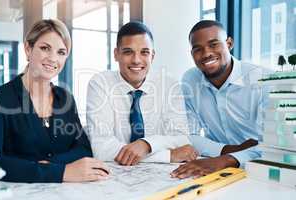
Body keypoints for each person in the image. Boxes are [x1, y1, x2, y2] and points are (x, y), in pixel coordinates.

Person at [0, 19, 109, 183]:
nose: (53, 58)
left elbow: (83, 149)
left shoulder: (65, 99)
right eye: (45, 48)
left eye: (61, 52)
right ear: (28, 49)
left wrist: (52, 165)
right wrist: (60, 172)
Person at [86, 21, 198, 166]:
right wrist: (168, 155)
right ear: (116, 54)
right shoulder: (100, 83)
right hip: (114, 173)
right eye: (128, 52)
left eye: (144, 52)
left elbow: (181, 139)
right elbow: (102, 149)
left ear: (152, 55)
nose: (136, 60)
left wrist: (146, 145)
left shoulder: (169, 84)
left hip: (159, 176)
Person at [171, 20, 270, 179]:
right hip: (211, 167)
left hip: (260, 169)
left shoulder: (263, 81)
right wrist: (228, 150)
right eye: (198, 49)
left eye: (213, 44)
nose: (206, 54)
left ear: (229, 43)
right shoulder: (190, 80)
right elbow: (188, 135)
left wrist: (227, 159)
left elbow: (276, 148)